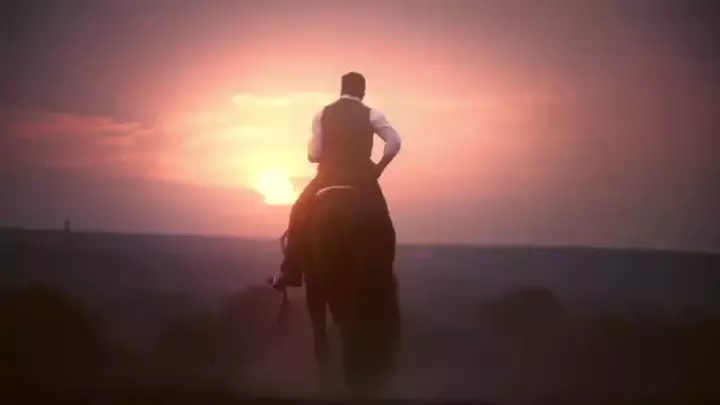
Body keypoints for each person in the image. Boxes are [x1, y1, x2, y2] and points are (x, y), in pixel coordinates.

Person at [272, 71, 402, 290]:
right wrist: (378, 168)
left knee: (298, 212)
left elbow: (314, 154)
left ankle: (291, 270)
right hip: (363, 180)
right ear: (363, 92)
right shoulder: (372, 114)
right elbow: (394, 142)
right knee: (384, 221)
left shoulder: (322, 114)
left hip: (327, 178)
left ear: (341, 90)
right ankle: (385, 269)